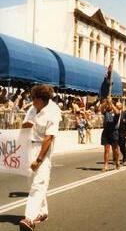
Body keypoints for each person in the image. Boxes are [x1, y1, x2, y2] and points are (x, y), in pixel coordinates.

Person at [19, 85, 61, 231]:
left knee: (39, 183)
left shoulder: (53, 112)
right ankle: (42, 212)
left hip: (43, 147)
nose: (32, 102)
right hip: (29, 144)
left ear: (43, 100)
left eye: (34, 99)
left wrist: (39, 159)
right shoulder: (32, 108)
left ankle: (29, 218)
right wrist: (25, 126)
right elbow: (25, 126)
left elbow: (49, 138)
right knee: (32, 181)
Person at [99, 97, 120, 171]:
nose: (108, 106)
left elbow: (117, 112)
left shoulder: (116, 112)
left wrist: (111, 103)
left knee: (115, 150)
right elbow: (101, 109)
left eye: (109, 105)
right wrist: (106, 102)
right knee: (106, 149)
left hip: (114, 132)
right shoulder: (105, 112)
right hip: (106, 132)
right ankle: (106, 165)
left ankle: (117, 161)